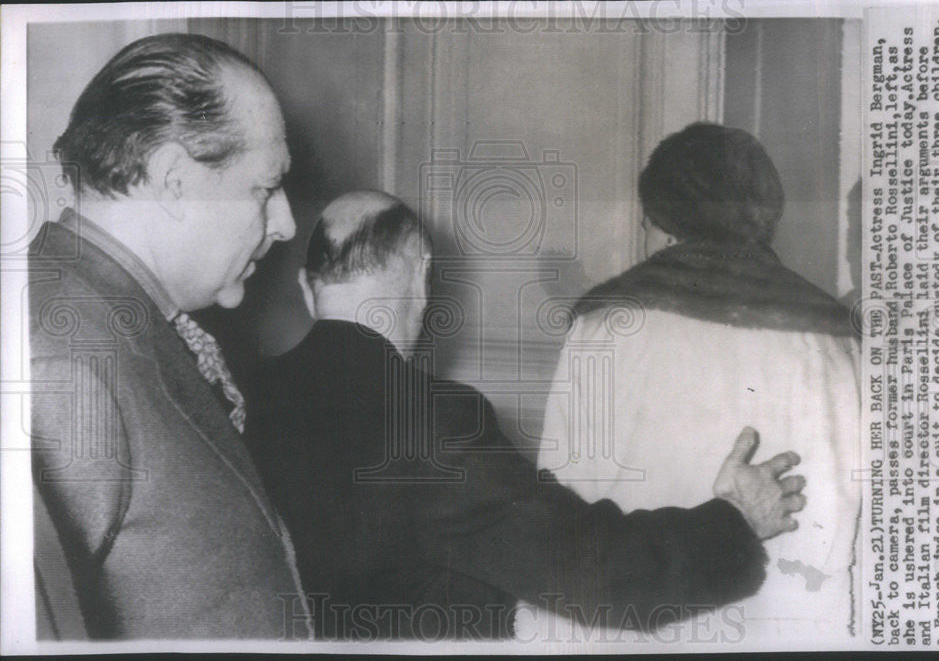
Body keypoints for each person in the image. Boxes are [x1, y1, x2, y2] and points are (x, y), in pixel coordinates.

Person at [244, 190, 807, 640]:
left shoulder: (243, 398)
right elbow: (596, 574)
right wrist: (736, 521)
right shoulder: (436, 417)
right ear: (421, 275)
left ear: (306, 288)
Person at [532, 123, 862, 644]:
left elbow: (561, 512)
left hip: (636, 621)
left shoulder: (604, 324)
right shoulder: (831, 335)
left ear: (661, 223)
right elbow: (844, 509)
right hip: (785, 626)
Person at [30, 33, 310, 639]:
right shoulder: (63, 353)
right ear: (175, 179)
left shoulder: (117, 320)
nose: (285, 224)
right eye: (265, 187)